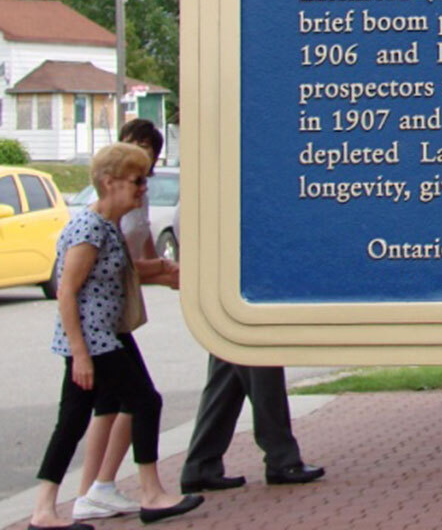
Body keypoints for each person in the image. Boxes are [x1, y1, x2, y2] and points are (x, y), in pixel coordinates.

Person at [30, 142, 203, 530]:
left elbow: (119, 275)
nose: (144, 188)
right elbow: (67, 290)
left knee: (73, 419)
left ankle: (44, 510)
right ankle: (151, 494)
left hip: (108, 335)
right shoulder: (89, 227)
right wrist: (80, 354)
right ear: (109, 183)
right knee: (145, 402)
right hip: (95, 341)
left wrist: (164, 271)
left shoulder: (107, 226)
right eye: (137, 180)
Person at [178, 191, 324, 494]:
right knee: (263, 371)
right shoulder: (243, 196)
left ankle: (201, 465)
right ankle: (282, 459)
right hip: (246, 290)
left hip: (233, 286)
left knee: (226, 379)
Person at [73, 121, 179, 521]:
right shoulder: (98, 219)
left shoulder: (137, 202)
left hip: (116, 318)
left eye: (150, 149)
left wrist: (168, 272)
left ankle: (94, 491)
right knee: (124, 402)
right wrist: (79, 349)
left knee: (112, 404)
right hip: (100, 328)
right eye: (138, 147)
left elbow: (140, 259)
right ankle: (103, 491)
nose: (146, 157)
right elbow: (83, 281)